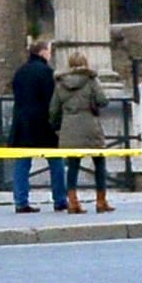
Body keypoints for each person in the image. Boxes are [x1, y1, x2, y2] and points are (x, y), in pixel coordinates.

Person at [50, 48, 112, 213]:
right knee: (99, 163)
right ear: (85, 64)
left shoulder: (60, 84)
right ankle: (100, 201)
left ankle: (73, 202)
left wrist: (57, 127)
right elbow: (103, 100)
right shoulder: (91, 81)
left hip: (69, 127)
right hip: (90, 126)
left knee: (73, 166)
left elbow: (53, 110)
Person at [8, 37, 58, 214]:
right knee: (56, 160)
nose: (50, 54)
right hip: (43, 123)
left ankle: (21, 201)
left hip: (22, 123)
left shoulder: (20, 72)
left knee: (22, 163)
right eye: (50, 50)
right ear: (43, 52)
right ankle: (60, 199)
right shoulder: (46, 72)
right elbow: (52, 99)